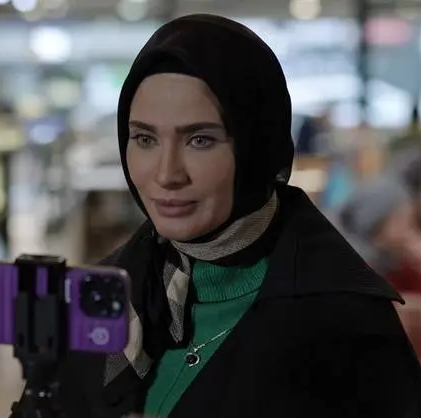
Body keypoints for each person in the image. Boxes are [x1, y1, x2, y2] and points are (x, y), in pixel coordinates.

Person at [57, 14, 421, 418]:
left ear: (256, 146)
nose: (166, 174)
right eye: (144, 138)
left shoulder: (345, 321)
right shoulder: (107, 291)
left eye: (200, 139)